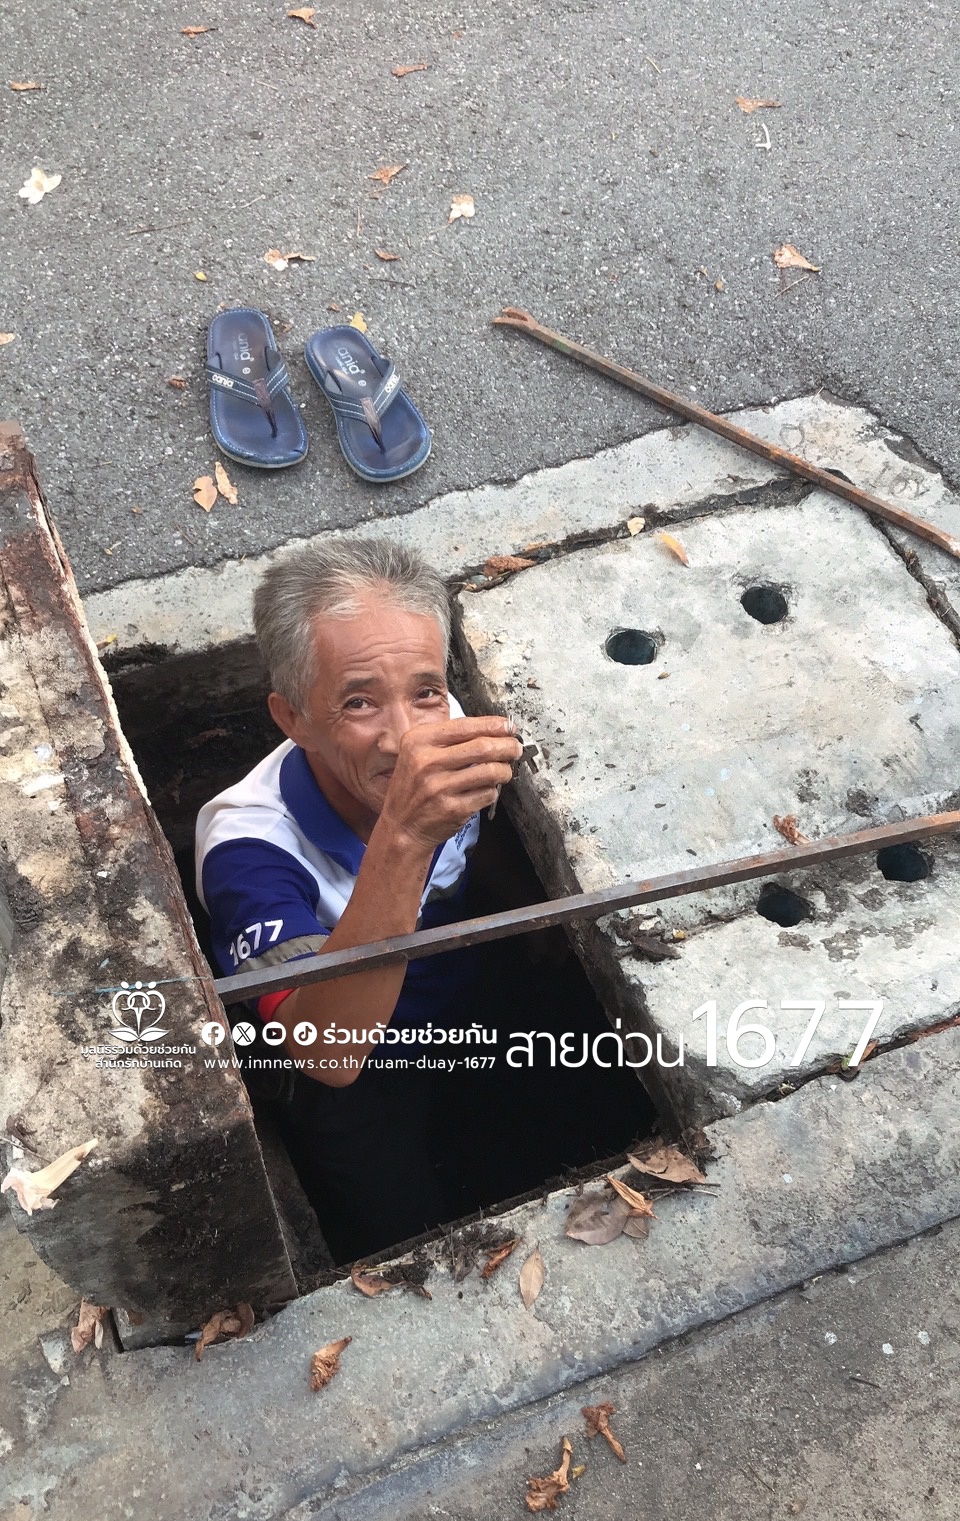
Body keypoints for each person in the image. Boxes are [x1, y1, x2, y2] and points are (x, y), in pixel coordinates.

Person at [195, 537, 523, 1261]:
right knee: (401, 1218)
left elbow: (480, 846)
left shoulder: (443, 724)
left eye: (424, 691)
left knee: (510, 1114)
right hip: (361, 1078)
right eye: (358, 701)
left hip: (461, 1001)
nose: (406, 739)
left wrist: (535, 932)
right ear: (293, 719)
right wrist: (403, 836)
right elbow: (325, 1051)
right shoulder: (249, 850)